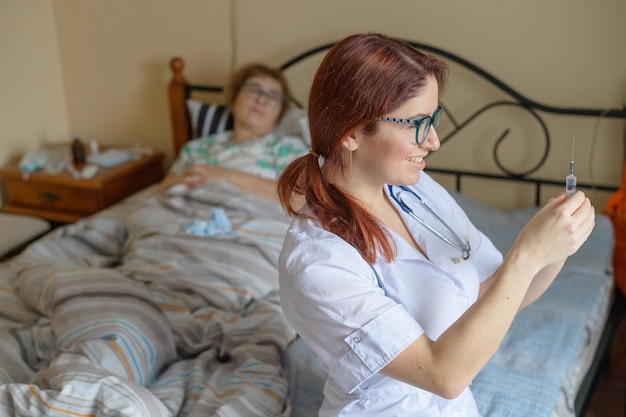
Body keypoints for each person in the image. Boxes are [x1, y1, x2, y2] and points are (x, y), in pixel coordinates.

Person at [276, 33, 596, 416]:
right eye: (416, 123)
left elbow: (503, 295)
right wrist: (527, 254)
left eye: (433, 118)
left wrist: (559, 242)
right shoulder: (317, 262)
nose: (434, 141)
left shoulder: (415, 189)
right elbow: (443, 374)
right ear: (351, 133)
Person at [158, 63, 308, 200]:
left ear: (280, 113)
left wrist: (230, 176)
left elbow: (300, 201)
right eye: (254, 90)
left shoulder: (290, 148)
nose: (261, 100)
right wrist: (185, 179)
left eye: (273, 98)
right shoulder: (195, 147)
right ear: (233, 98)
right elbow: (158, 193)